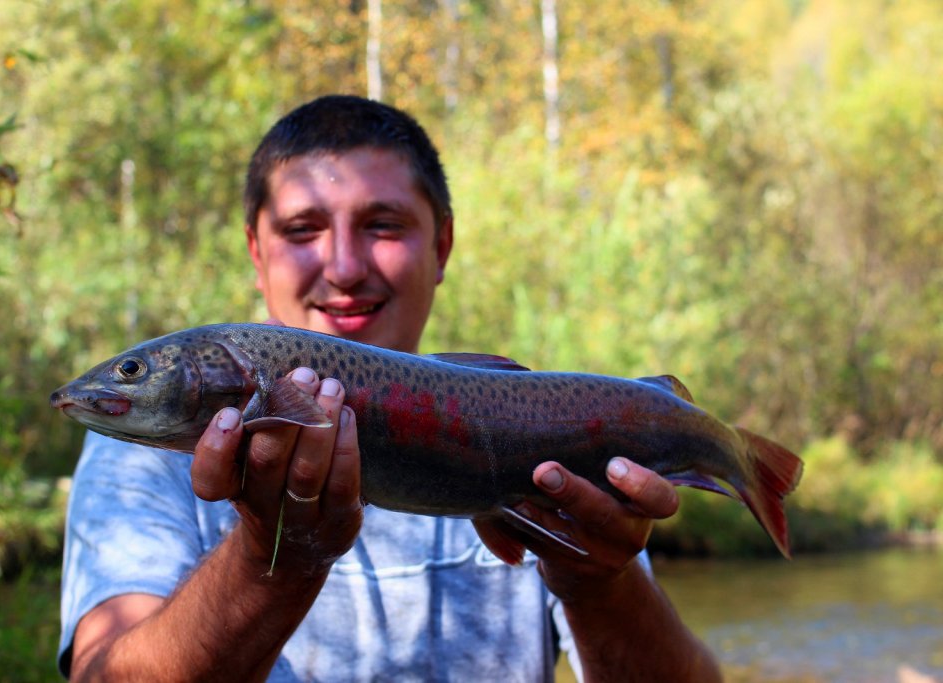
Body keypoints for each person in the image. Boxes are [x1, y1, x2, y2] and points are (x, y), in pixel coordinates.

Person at [58, 95, 721, 681]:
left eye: (383, 225)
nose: (344, 267)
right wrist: (272, 558)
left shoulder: (541, 424)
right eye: (302, 230)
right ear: (257, 253)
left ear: (443, 246)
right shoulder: (140, 452)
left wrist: (598, 582)